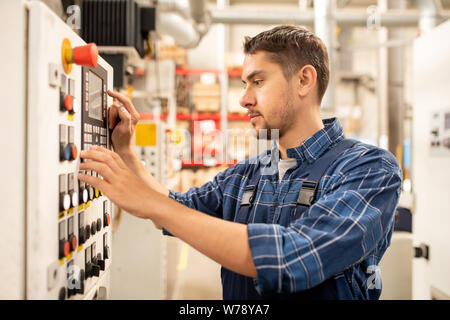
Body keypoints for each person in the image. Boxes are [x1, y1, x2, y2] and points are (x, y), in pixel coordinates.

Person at [78, 25, 402, 300]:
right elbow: (174, 212)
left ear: (304, 80)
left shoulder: (368, 169)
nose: (244, 99)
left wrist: (153, 204)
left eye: (257, 82)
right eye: (244, 84)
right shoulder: (246, 175)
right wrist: (126, 153)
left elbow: (292, 257)